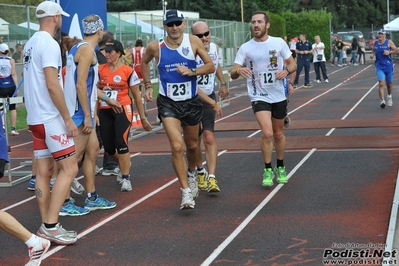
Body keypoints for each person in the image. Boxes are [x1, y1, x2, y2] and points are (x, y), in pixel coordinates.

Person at [141, 9, 215, 210]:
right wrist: (148, 85)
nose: (174, 28)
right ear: (164, 26)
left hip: (191, 101)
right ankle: (185, 192)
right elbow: (143, 62)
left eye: (177, 24)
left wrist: (192, 71)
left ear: (183, 24)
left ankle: (192, 173)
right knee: (177, 146)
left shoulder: (193, 42)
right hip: (168, 103)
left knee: (192, 146)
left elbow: (210, 66)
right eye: (169, 24)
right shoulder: (156, 46)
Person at [23, 1, 78, 245]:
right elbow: (52, 83)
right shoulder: (49, 44)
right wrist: (67, 118)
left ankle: (47, 223)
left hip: (36, 117)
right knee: (70, 168)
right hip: (49, 117)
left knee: (44, 172)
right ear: (56, 17)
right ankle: (51, 225)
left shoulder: (30, 42)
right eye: (61, 17)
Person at [230, 10, 296, 187]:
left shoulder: (278, 43)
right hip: (258, 95)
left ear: (267, 25)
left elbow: (292, 63)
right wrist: (238, 70)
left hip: (278, 94)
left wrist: (287, 71)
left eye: (259, 22)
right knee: (267, 133)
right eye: (253, 22)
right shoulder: (246, 47)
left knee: (278, 133)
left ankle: (280, 165)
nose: (256, 25)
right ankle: (268, 169)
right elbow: (233, 70)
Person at [63, 14, 119, 213]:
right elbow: (80, 85)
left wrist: (105, 100)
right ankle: (64, 202)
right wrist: (87, 115)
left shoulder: (79, 47)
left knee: (93, 151)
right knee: (73, 159)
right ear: (100, 31)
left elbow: (91, 86)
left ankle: (91, 196)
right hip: (79, 112)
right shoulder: (86, 50)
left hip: (81, 109)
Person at [98, 39, 152, 192]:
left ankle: (125, 177)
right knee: (109, 148)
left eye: (110, 52)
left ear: (119, 53)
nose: (107, 54)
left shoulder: (128, 71)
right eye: (105, 51)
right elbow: (95, 93)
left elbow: (136, 96)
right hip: (105, 110)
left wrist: (143, 118)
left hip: (123, 109)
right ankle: (124, 162)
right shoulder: (100, 69)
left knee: (121, 142)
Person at [191, 21, 227, 193]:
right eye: (200, 36)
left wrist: (223, 82)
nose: (204, 38)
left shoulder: (213, 47)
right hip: (191, 99)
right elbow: (190, 84)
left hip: (208, 96)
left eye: (206, 34)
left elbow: (216, 64)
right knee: (194, 140)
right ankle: (200, 171)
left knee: (209, 137)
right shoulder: (189, 52)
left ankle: (212, 177)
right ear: (193, 37)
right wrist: (211, 101)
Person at [94, 30, 120, 176]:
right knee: (107, 134)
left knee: (99, 135)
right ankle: (109, 164)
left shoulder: (92, 55)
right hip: (103, 102)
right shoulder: (104, 60)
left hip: (99, 101)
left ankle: (91, 164)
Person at [370, 29, 398, 108]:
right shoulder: (375, 43)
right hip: (379, 66)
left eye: (382, 34)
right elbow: (373, 51)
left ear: (385, 35)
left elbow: (396, 50)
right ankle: (382, 100)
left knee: (389, 84)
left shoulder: (388, 42)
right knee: (381, 83)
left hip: (388, 66)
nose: (380, 35)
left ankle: (389, 96)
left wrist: (390, 52)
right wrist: (372, 55)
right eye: (379, 34)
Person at [0, 43, 19, 135]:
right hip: (11, 86)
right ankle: (13, 129)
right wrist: (17, 88)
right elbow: (14, 74)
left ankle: (3, 127)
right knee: (12, 107)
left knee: (0, 108)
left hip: (1, 87)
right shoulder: (11, 60)